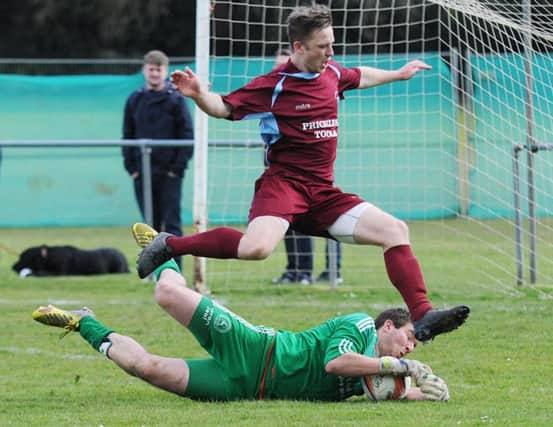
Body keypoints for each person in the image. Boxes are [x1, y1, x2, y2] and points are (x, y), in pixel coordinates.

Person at [137, 4, 470, 342]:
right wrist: (198, 95)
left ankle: (422, 315)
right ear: (299, 47)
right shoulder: (274, 85)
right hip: (284, 186)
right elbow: (224, 107)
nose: (331, 52)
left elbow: (360, 75)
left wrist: (398, 74)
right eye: (323, 46)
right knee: (257, 249)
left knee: (395, 230)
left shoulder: (332, 73)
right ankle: (170, 245)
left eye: (332, 43)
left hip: (323, 193)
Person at [31, 223, 449, 402]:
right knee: (168, 297)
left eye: (414, 345)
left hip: (247, 388)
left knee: (149, 368)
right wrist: (399, 364)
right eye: (410, 336)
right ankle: (164, 252)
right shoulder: (360, 327)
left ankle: (83, 322)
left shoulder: (379, 371)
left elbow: (384, 389)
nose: (411, 345)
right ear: (387, 325)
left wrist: (426, 395)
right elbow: (337, 363)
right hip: (256, 349)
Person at [269, 48, 343, 286]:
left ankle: (323, 271)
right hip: (280, 172)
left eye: (283, 63)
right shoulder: (272, 91)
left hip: (310, 173)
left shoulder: (313, 88)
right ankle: (295, 270)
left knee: (322, 221)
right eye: (275, 65)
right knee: (286, 224)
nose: (279, 68)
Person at [122, 50, 194, 268]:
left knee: (171, 223)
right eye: (151, 69)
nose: (155, 73)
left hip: (170, 172)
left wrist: (177, 168)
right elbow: (128, 134)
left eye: (159, 69)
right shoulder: (135, 99)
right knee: (148, 226)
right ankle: (154, 270)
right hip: (142, 172)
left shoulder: (176, 99)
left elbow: (187, 133)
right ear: (144, 70)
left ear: (166, 71)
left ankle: (176, 270)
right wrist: (132, 168)